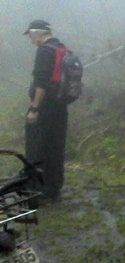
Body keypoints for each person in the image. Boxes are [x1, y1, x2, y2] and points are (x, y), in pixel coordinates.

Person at [23, 20, 70, 204]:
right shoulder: (61, 47)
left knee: (36, 147)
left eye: (30, 35)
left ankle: (36, 191)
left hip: (44, 107)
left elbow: (41, 82)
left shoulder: (44, 51)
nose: (30, 38)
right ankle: (53, 188)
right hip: (60, 107)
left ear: (38, 33)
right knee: (55, 146)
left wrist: (34, 108)